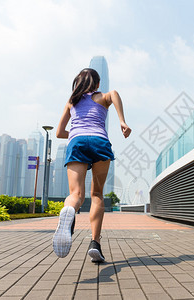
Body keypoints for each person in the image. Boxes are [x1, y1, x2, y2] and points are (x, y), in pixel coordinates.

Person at [53, 68, 131, 262]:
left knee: (75, 195)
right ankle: (95, 242)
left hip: (77, 141)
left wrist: (76, 132)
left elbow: (59, 133)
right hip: (99, 141)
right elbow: (114, 94)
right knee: (96, 194)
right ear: (97, 84)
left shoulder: (72, 101)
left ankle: (69, 211)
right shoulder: (102, 97)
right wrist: (122, 121)